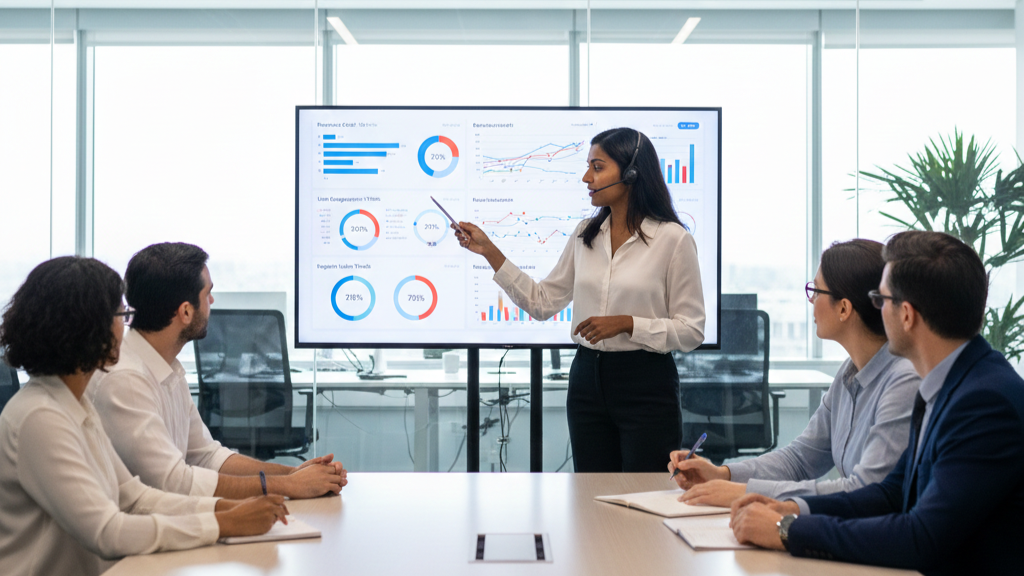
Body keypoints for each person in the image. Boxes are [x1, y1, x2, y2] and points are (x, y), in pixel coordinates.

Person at [728, 231, 1024, 575]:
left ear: (907, 315)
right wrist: (791, 508)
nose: (876, 310)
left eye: (881, 300)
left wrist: (788, 530)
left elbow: (920, 538)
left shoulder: (984, 403)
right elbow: (888, 494)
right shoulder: (948, 381)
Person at [0, 257, 287, 576]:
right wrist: (223, 523)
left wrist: (226, 508)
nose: (126, 328)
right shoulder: (40, 417)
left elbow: (134, 498)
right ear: (89, 326)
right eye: (121, 315)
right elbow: (107, 532)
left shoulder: (73, 404)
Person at [454, 127, 705, 472]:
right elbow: (542, 302)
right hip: (587, 380)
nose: (587, 177)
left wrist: (628, 324)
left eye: (597, 167)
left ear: (632, 173)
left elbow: (691, 330)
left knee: (644, 493)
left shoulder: (673, 240)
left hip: (646, 383)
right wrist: (490, 252)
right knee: (591, 494)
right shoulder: (585, 234)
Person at [669, 239, 920, 507]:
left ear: (844, 308)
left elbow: (865, 490)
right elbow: (800, 459)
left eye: (816, 291)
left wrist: (747, 493)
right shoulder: (848, 374)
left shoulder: (904, 380)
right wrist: (724, 474)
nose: (811, 300)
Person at [89, 242, 346, 499]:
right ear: (186, 311)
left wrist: (292, 474)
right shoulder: (125, 381)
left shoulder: (166, 367)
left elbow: (206, 455)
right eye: (207, 294)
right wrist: (285, 486)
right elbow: (172, 482)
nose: (212, 300)